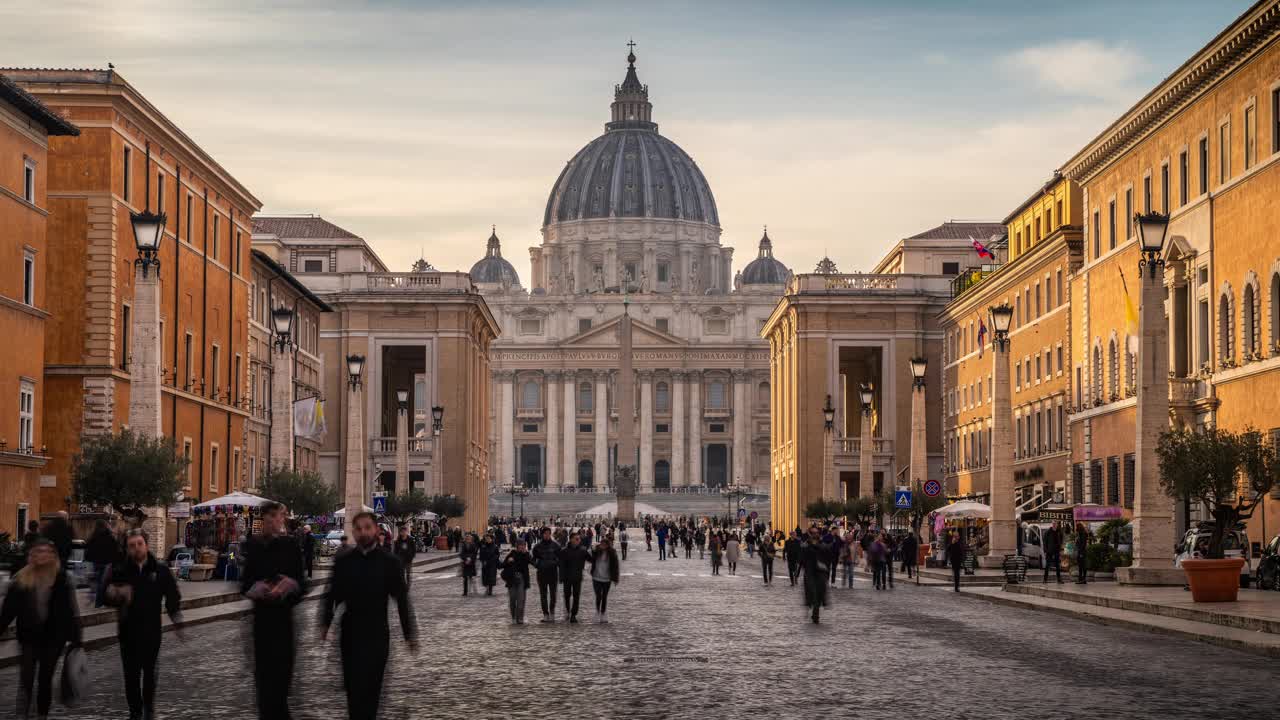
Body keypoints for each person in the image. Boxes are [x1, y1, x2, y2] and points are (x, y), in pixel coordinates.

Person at [321, 512, 418, 720]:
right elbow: (331, 595)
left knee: (372, 691)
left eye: (367, 527)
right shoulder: (344, 561)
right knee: (354, 691)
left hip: (377, 635)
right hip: (350, 635)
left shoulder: (390, 562)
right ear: (354, 532)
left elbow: (401, 599)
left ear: (376, 530)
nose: (363, 532)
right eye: (358, 528)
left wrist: (409, 633)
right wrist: (325, 623)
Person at [104, 528, 183, 720]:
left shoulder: (160, 570)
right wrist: (116, 594)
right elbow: (105, 596)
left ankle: (149, 707)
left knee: (149, 673)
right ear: (127, 548)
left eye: (140, 544)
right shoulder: (119, 570)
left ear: (146, 545)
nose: (137, 548)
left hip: (151, 631)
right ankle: (135, 711)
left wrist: (176, 618)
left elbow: (172, 595)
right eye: (132, 545)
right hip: (127, 631)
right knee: (130, 675)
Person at [0, 537, 82, 719]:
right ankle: (22, 713)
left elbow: (70, 610)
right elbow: (8, 610)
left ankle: (42, 715)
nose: (42, 555)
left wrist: (77, 639)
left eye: (46, 552)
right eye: (38, 551)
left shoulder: (62, 578)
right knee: (26, 679)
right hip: (29, 636)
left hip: (53, 638)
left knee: (45, 679)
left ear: (53, 556)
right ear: (32, 555)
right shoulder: (21, 578)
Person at [240, 501, 306, 719]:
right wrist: (255, 589)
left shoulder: (291, 546)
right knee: (264, 686)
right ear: (264, 520)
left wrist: (290, 585)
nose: (275, 521)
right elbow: (244, 584)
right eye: (270, 518)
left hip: (284, 623)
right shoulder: (254, 545)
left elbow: (302, 584)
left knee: (281, 685)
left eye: (278, 517)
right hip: (261, 624)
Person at [85, 518, 120, 609]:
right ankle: (99, 603)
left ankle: (96, 599)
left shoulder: (93, 536)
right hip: (106, 563)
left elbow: (88, 549)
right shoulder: (109, 536)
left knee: (98, 582)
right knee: (103, 583)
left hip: (96, 562)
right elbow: (115, 550)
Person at [800, 527, 832, 623]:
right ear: (809, 534)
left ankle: (816, 614)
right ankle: (813, 610)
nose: (815, 534)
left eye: (816, 532)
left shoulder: (823, 545)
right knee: (812, 593)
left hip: (821, 573)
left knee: (820, 593)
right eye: (813, 533)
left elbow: (828, 558)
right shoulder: (805, 546)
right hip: (810, 573)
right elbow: (802, 559)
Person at [558, 532, 591, 623]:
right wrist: (561, 577)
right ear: (571, 539)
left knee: (576, 597)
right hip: (567, 578)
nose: (578, 541)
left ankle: (573, 615)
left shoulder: (583, 551)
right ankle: (567, 611)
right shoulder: (564, 551)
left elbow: (591, 559)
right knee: (567, 596)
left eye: (579, 539)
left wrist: (595, 551)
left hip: (577, 577)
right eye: (577, 539)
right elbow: (561, 565)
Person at [588, 536, 620, 623]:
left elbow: (615, 566)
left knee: (604, 596)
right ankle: (597, 611)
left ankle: (603, 613)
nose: (603, 546)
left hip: (607, 578)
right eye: (602, 544)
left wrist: (615, 578)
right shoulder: (596, 551)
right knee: (598, 595)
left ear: (608, 545)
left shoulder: (612, 553)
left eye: (605, 544)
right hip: (596, 577)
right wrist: (593, 549)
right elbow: (589, 555)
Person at [500, 539, 533, 624]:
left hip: (522, 579)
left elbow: (532, 562)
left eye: (523, 545)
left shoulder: (526, 555)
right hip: (512, 579)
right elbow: (502, 565)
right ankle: (513, 617)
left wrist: (526, 554)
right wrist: (508, 561)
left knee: (521, 599)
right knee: (512, 599)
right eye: (520, 545)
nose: (522, 547)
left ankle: (520, 617)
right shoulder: (512, 554)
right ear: (517, 546)